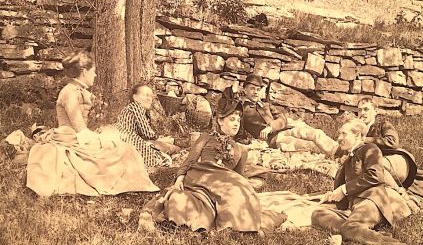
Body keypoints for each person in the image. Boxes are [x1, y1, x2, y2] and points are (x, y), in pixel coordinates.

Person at [26, 51, 160, 196]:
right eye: (93, 72)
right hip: (71, 138)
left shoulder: (78, 91)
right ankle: (122, 181)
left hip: (77, 136)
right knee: (121, 149)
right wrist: (103, 140)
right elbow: (80, 129)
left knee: (122, 147)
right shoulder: (70, 93)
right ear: (84, 72)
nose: (95, 76)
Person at [150, 95, 286, 233]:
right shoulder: (206, 137)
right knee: (183, 199)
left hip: (222, 185)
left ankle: (237, 225)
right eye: (232, 119)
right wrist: (180, 177)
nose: (236, 124)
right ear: (220, 121)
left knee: (241, 190)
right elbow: (190, 160)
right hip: (201, 178)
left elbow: (237, 177)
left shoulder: (241, 149)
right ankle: (185, 219)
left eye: (238, 121)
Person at [311, 119, 422, 245]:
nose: (339, 138)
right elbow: (343, 191)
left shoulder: (370, 149)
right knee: (317, 213)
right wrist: (332, 195)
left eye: (343, 134)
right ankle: (356, 230)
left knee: (350, 227)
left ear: (357, 135)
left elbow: (376, 175)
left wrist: (345, 189)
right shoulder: (349, 158)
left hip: (374, 200)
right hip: (355, 205)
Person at [357, 98, 423, 205]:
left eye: (366, 109)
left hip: (391, 162)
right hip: (370, 167)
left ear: (375, 111)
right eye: (359, 110)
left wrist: (365, 140)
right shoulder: (357, 128)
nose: (362, 113)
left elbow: (392, 142)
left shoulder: (383, 124)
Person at [228, 74, 337, 155]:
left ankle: (340, 152)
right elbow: (240, 136)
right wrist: (256, 143)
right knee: (307, 145)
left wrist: (270, 127)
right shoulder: (242, 109)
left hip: (286, 129)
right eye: (252, 89)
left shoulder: (266, 105)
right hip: (275, 139)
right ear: (245, 90)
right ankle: (337, 156)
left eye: (258, 89)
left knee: (316, 133)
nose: (256, 92)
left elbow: (282, 118)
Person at [112, 83, 180, 170]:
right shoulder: (136, 107)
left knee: (166, 148)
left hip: (126, 140)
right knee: (164, 155)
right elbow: (147, 133)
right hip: (127, 140)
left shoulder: (135, 109)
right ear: (135, 97)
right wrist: (159, 139)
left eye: (151, 96)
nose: (149, 99)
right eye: (145, 95)